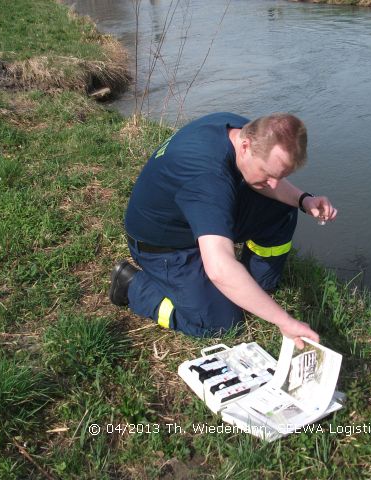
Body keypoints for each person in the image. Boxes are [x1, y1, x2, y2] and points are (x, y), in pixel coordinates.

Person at [109, 112, 337, 348]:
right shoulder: (208, 177)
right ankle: (132, 285)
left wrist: (302, 200)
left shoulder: (242, 130)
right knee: (222, 323)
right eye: (268, 175)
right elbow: (218, 269)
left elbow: (270, 185)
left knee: (283, 206)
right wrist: (284, 321)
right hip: (163, 247)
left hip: (193, 215)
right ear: (246, 146)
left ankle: (256, 288)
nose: (274, 184)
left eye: (280, 177)